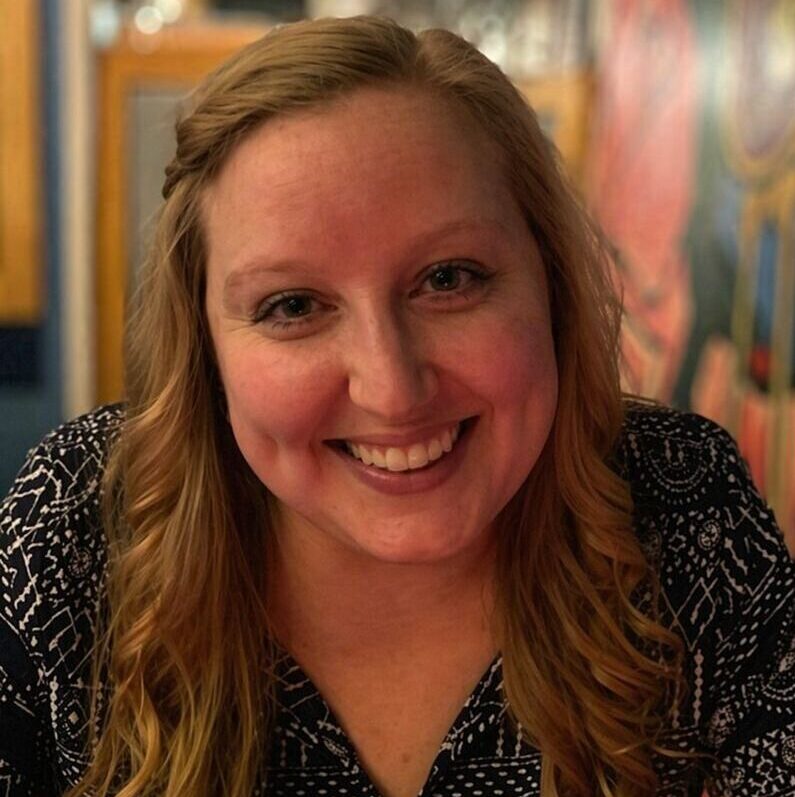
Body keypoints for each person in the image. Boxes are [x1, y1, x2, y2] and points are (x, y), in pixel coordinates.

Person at [1, 15, 793, 797]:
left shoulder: (685, 508)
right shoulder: (78, 525)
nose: (391, 389)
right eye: (292, 306)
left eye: (448, 279)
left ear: (549, 283)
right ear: (205, 346)